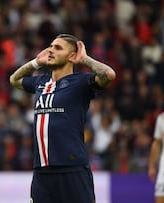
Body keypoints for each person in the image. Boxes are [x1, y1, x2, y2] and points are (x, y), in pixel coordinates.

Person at [9, 34, 116, 203]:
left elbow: (109, 75)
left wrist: (85, 60)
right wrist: (36, 62)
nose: (51, 50)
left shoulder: (80, 82)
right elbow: (14, 80)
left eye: (58, 48)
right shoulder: (40, 82)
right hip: (41, 172)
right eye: (51, 46)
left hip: (72, 169)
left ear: (72, 56)